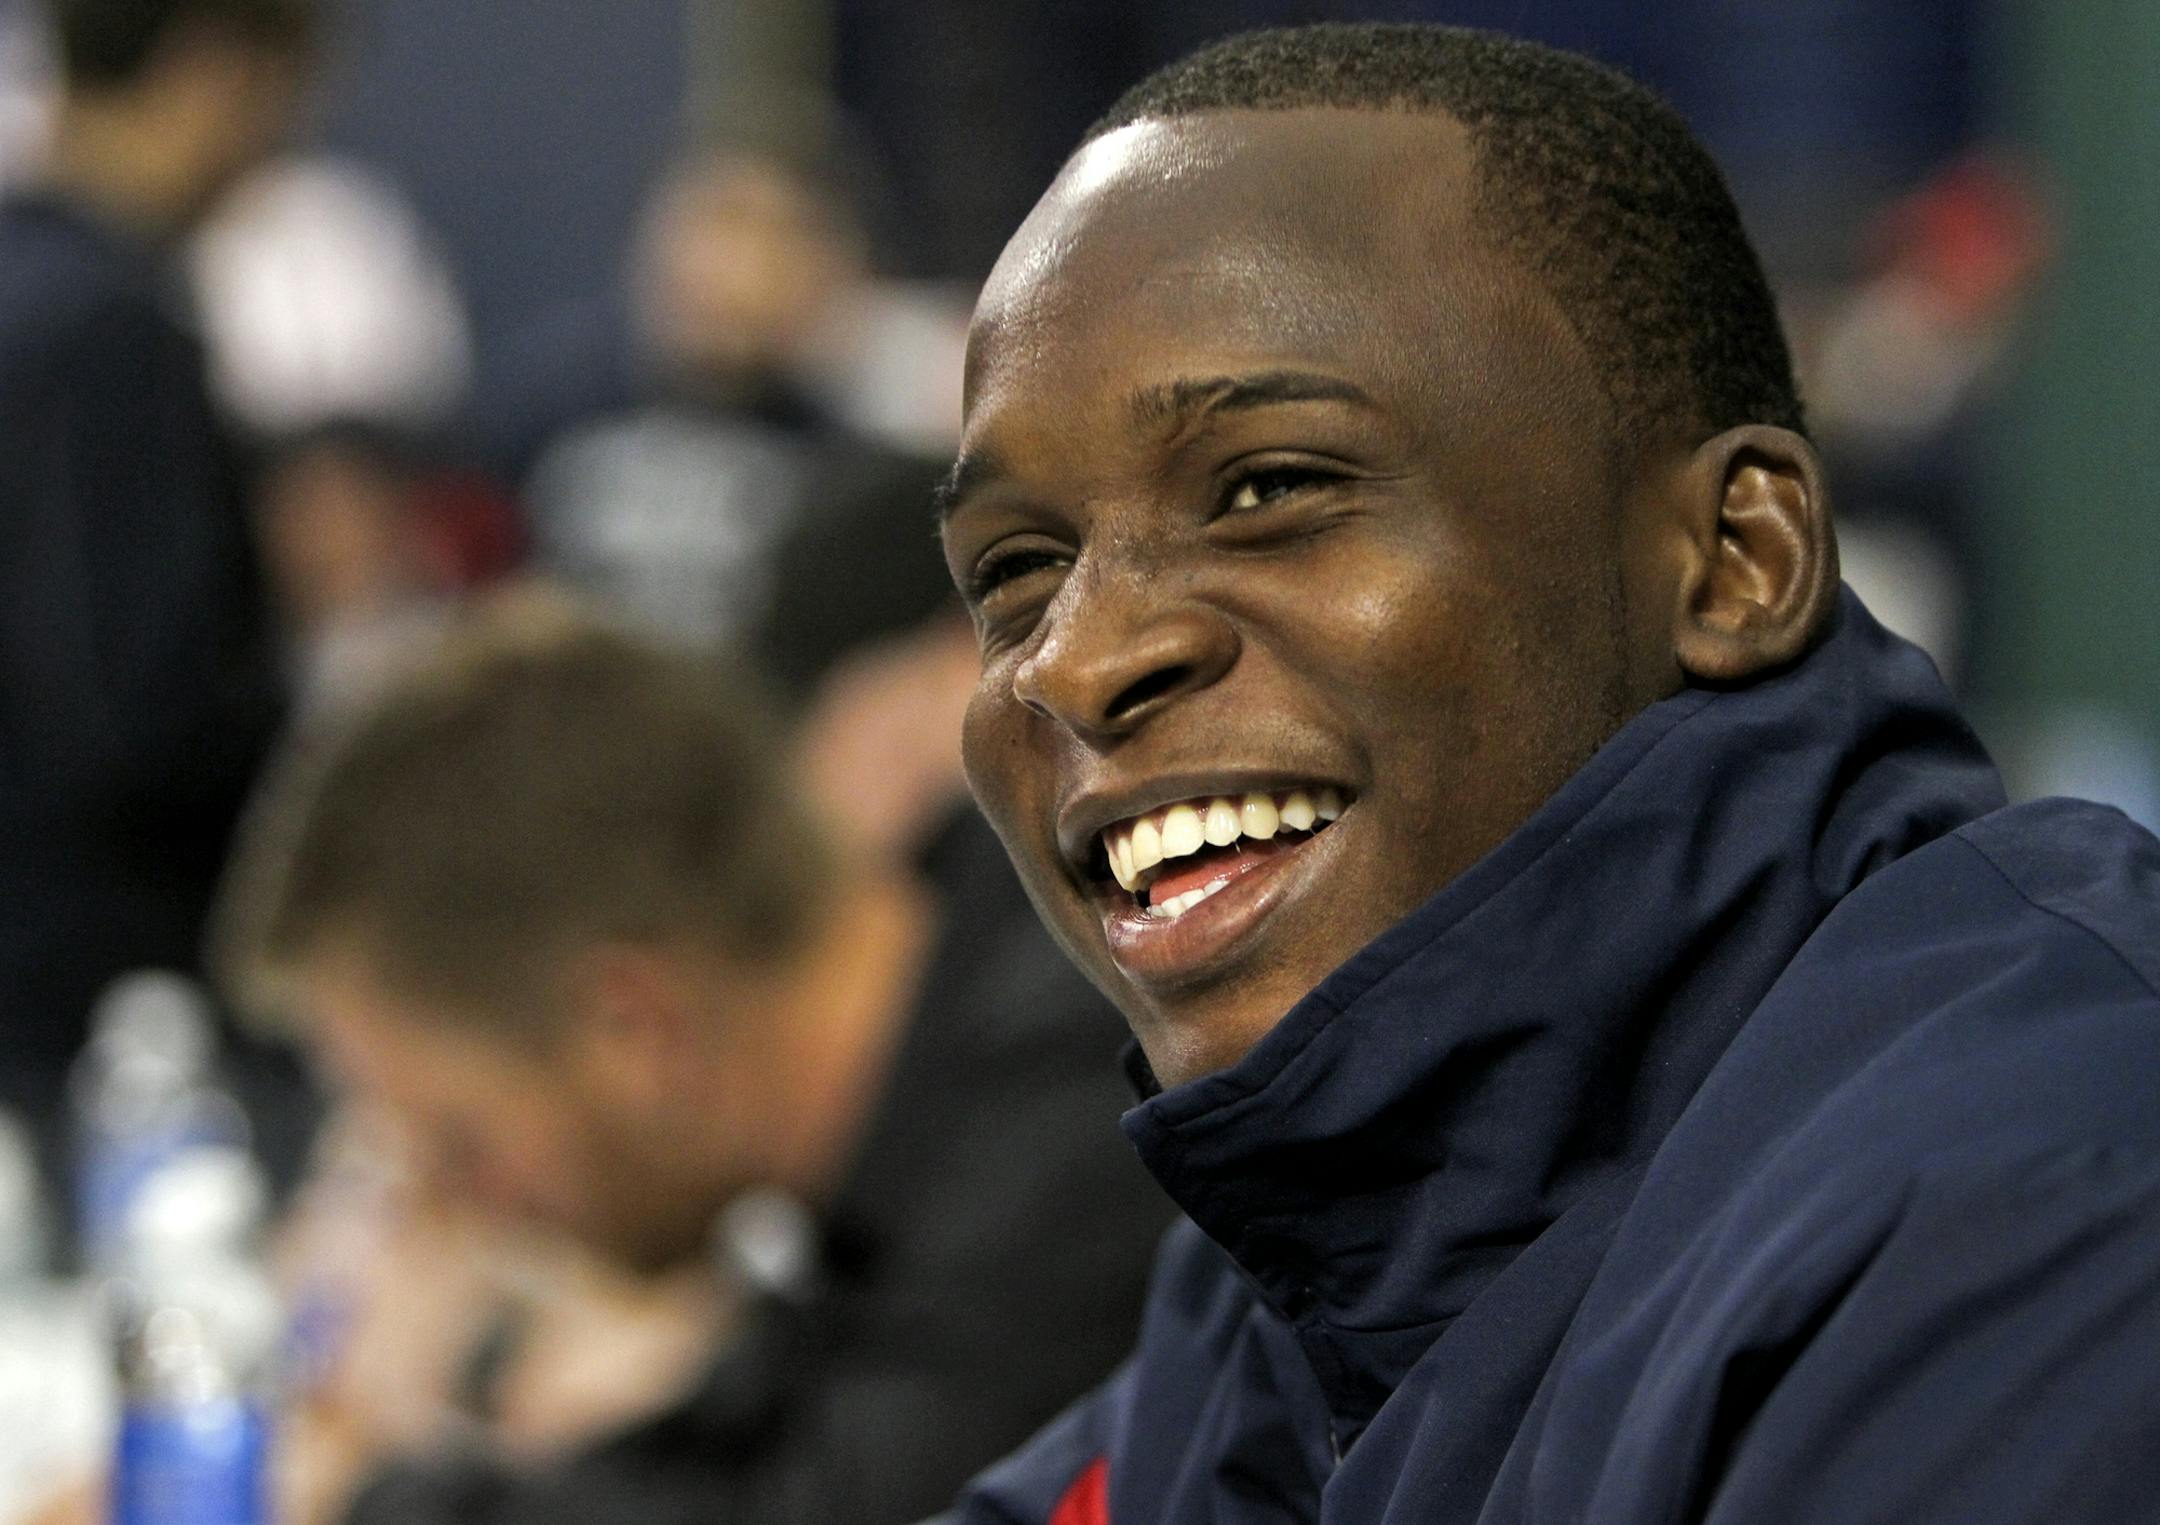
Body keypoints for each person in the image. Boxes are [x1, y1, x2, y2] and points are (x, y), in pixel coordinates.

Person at [929, 24, 2160, 1525]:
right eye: (1016, 568)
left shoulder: (2041, 1190)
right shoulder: (1295, 1254)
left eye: (1269, 489)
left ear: (1734, 562)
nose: (1073, 657)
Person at [216, 590, 1170, 1525]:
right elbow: (737, 1452)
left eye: (459, 1142)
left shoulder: (1091, 1107)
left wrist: (351, 1503)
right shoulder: (918, 1089)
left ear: (635, 1026)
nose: (458, 1213)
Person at [0, 0, 306, 1133]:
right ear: (217, 68)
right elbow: (134, 708)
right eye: (287, 99)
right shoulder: (109, 328)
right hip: (79, 1006)